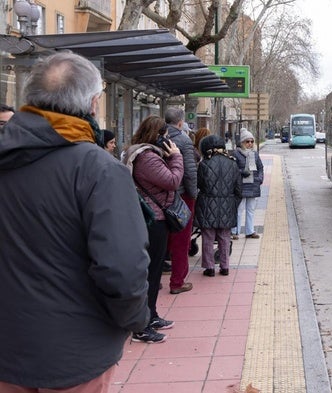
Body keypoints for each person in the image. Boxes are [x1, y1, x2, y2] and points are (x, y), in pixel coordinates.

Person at [0, 52, 150, 392]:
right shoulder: (98, 169)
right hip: (75, 354)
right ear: (94, 103)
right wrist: (134, 320)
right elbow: (122, 269)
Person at [122, 115, 183, 343]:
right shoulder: (147, 157)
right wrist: (176, 158)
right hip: (152, 220)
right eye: (165, 137)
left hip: (151, 218)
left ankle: (151, 315)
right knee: (150, 273)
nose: (168, 141)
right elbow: (173, 181)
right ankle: (142, 326)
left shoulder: (145, 153)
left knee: (155, 271)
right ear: (157, 136)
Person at [195, 134, 242, 276]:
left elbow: (199, 184)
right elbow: (239, 189)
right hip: (228, 204)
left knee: (208, 237)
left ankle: (209, 268)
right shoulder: (232, 163)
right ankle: (225, 266)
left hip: (207, 203)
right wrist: (233, 203)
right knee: (224, 237)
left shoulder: (204, 164)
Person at [164, 107, 198, 294]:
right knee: (181, 239)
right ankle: (177, 281)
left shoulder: (156, 137)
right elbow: (190, 173)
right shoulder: (184, 141)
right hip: (181, 195)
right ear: (180, 122)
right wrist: (193, 195)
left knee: (162, 237)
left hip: (158, 194)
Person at [232, 128, 264, 239]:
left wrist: (259, 178)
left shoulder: (254, 154)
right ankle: (235, 231)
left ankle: (250, 231)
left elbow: (260, 167)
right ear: (242, 142)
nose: (250, 144)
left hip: (253, 185)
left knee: (250, 209)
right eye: (247, 141)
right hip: (241, 185)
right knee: (239, 209)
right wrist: (242, 173)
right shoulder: (236, 154)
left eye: (251, 141)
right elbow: (233, 169)